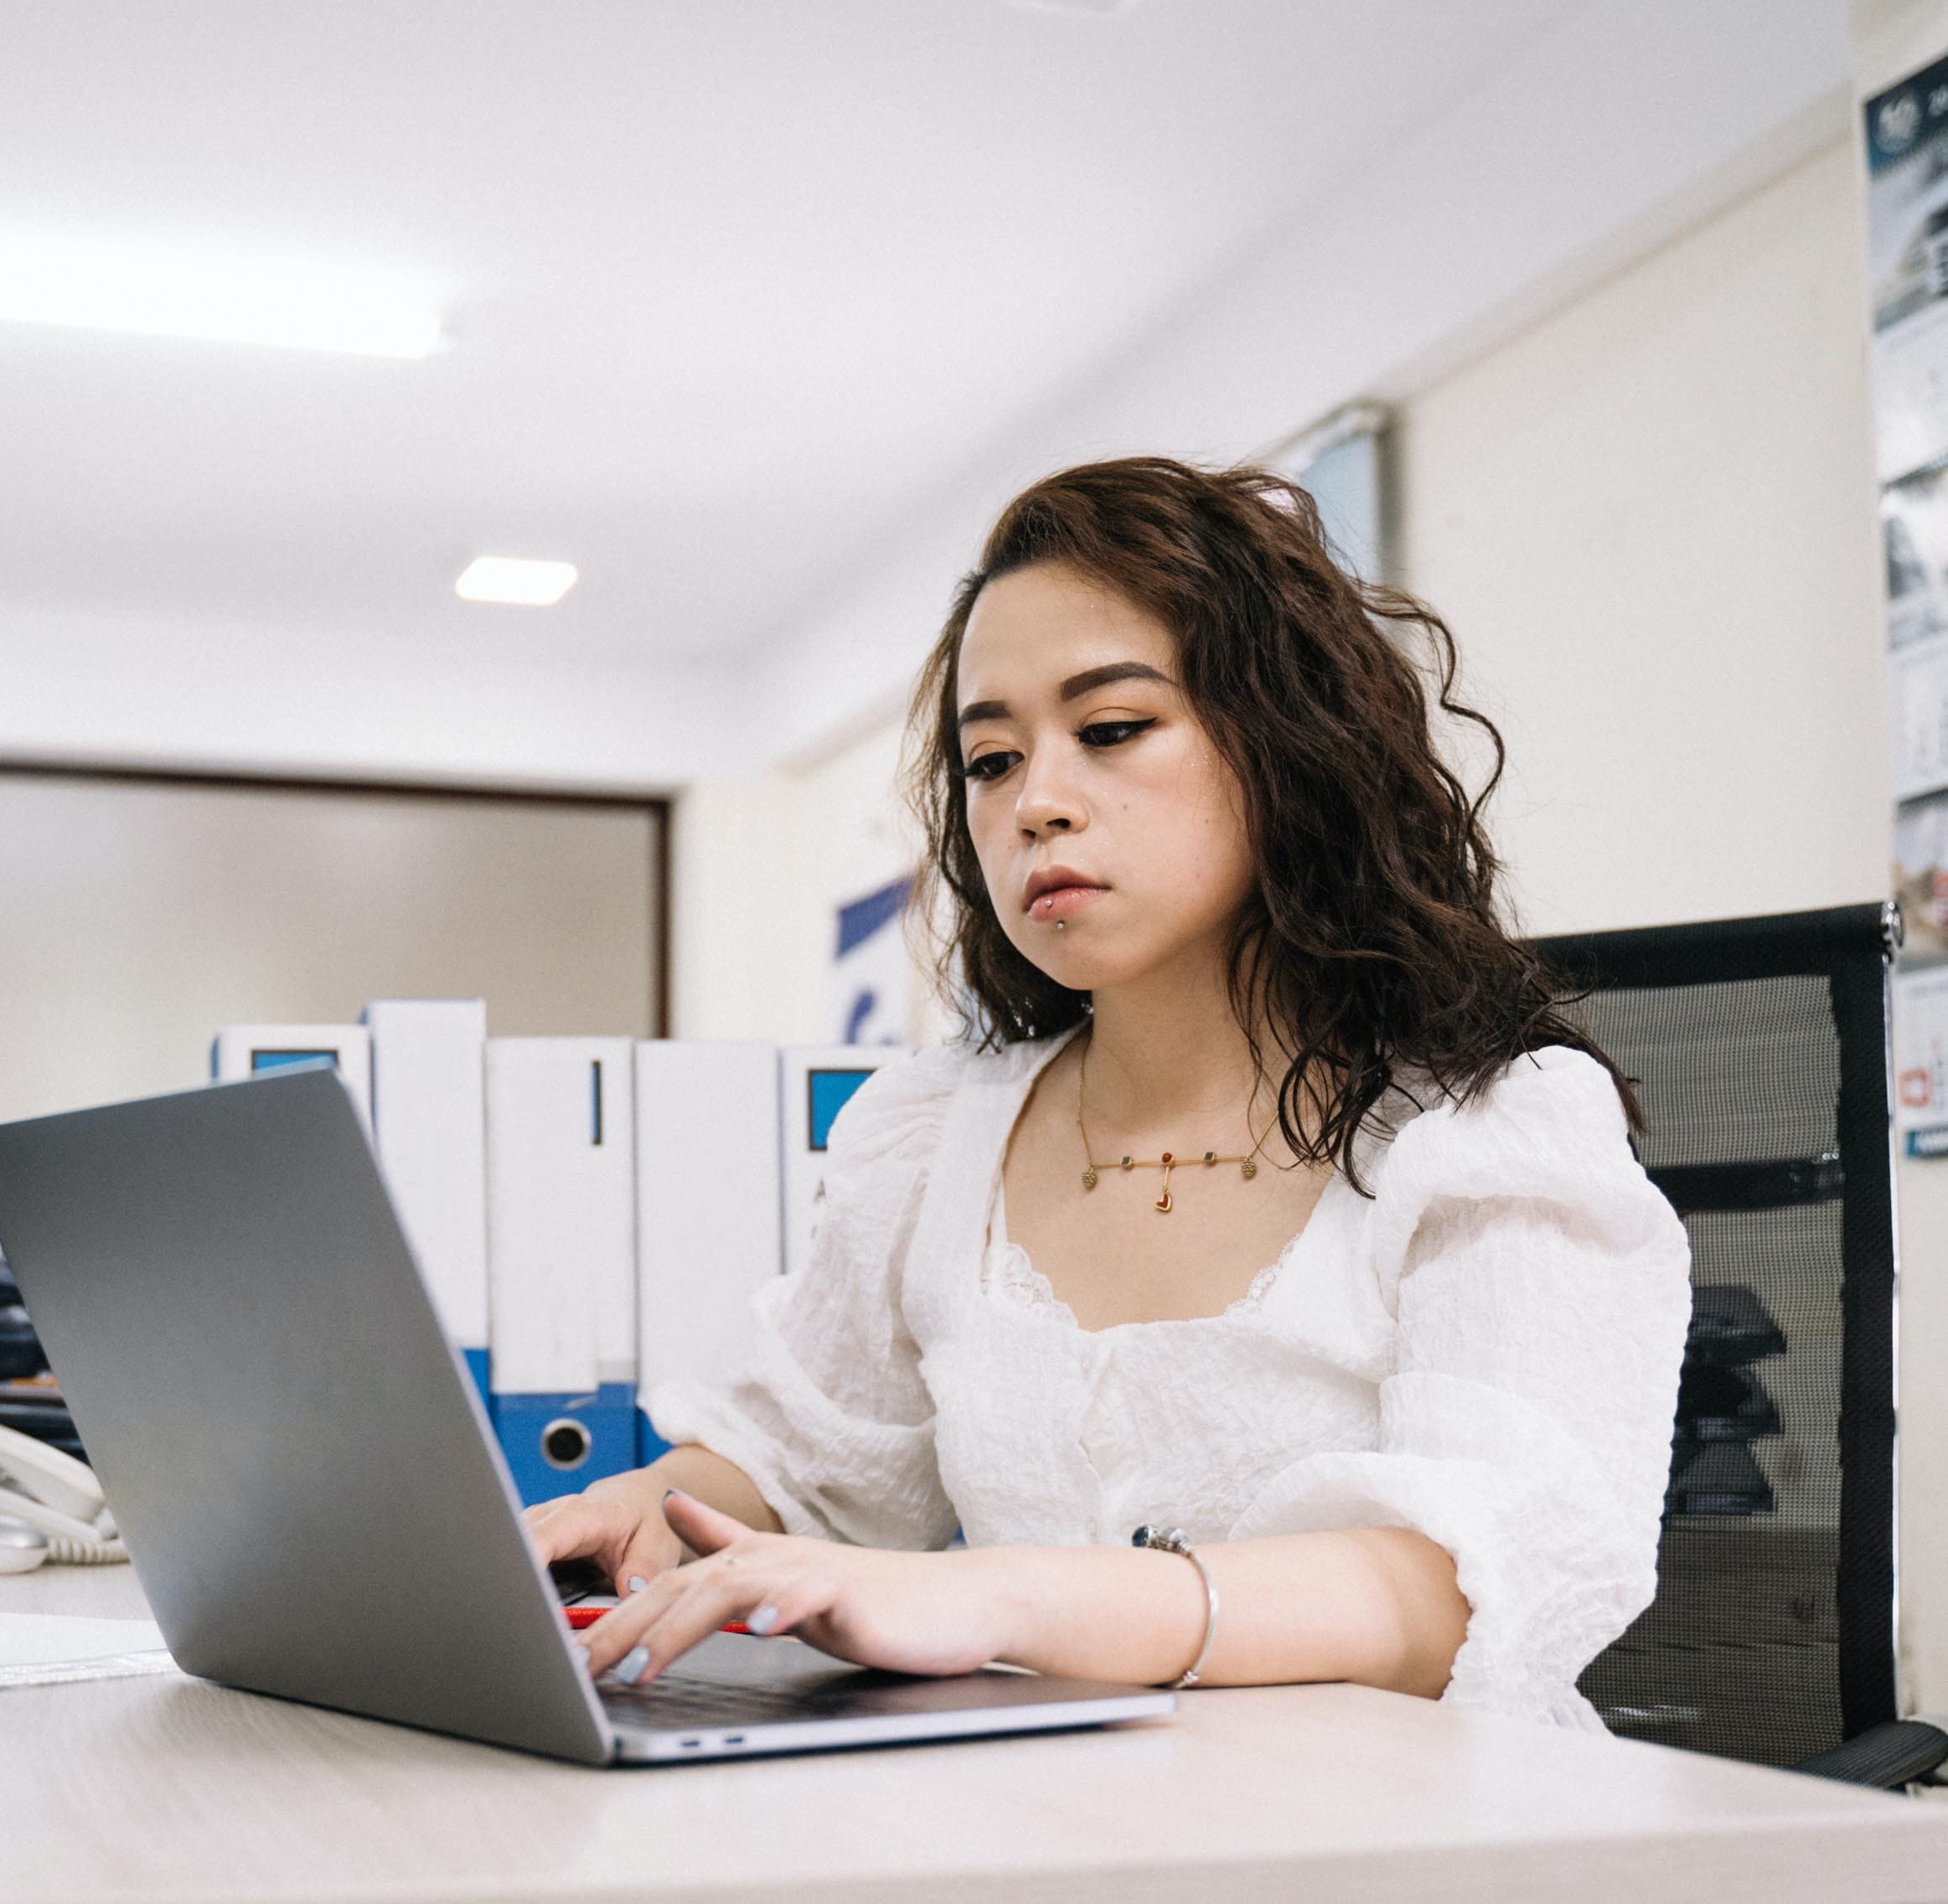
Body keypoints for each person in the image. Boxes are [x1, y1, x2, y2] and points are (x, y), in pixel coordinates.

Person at [534, 457, 1689, 1730]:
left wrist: (1011, 1596)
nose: (1036, 803)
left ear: (1287, 741)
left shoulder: (1487, 1135)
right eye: (990, 759)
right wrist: (650, 1511)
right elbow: (804, 1461)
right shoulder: (936, 1140)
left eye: (1112, 729)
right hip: (1054, 1829)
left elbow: (1459, 1595)